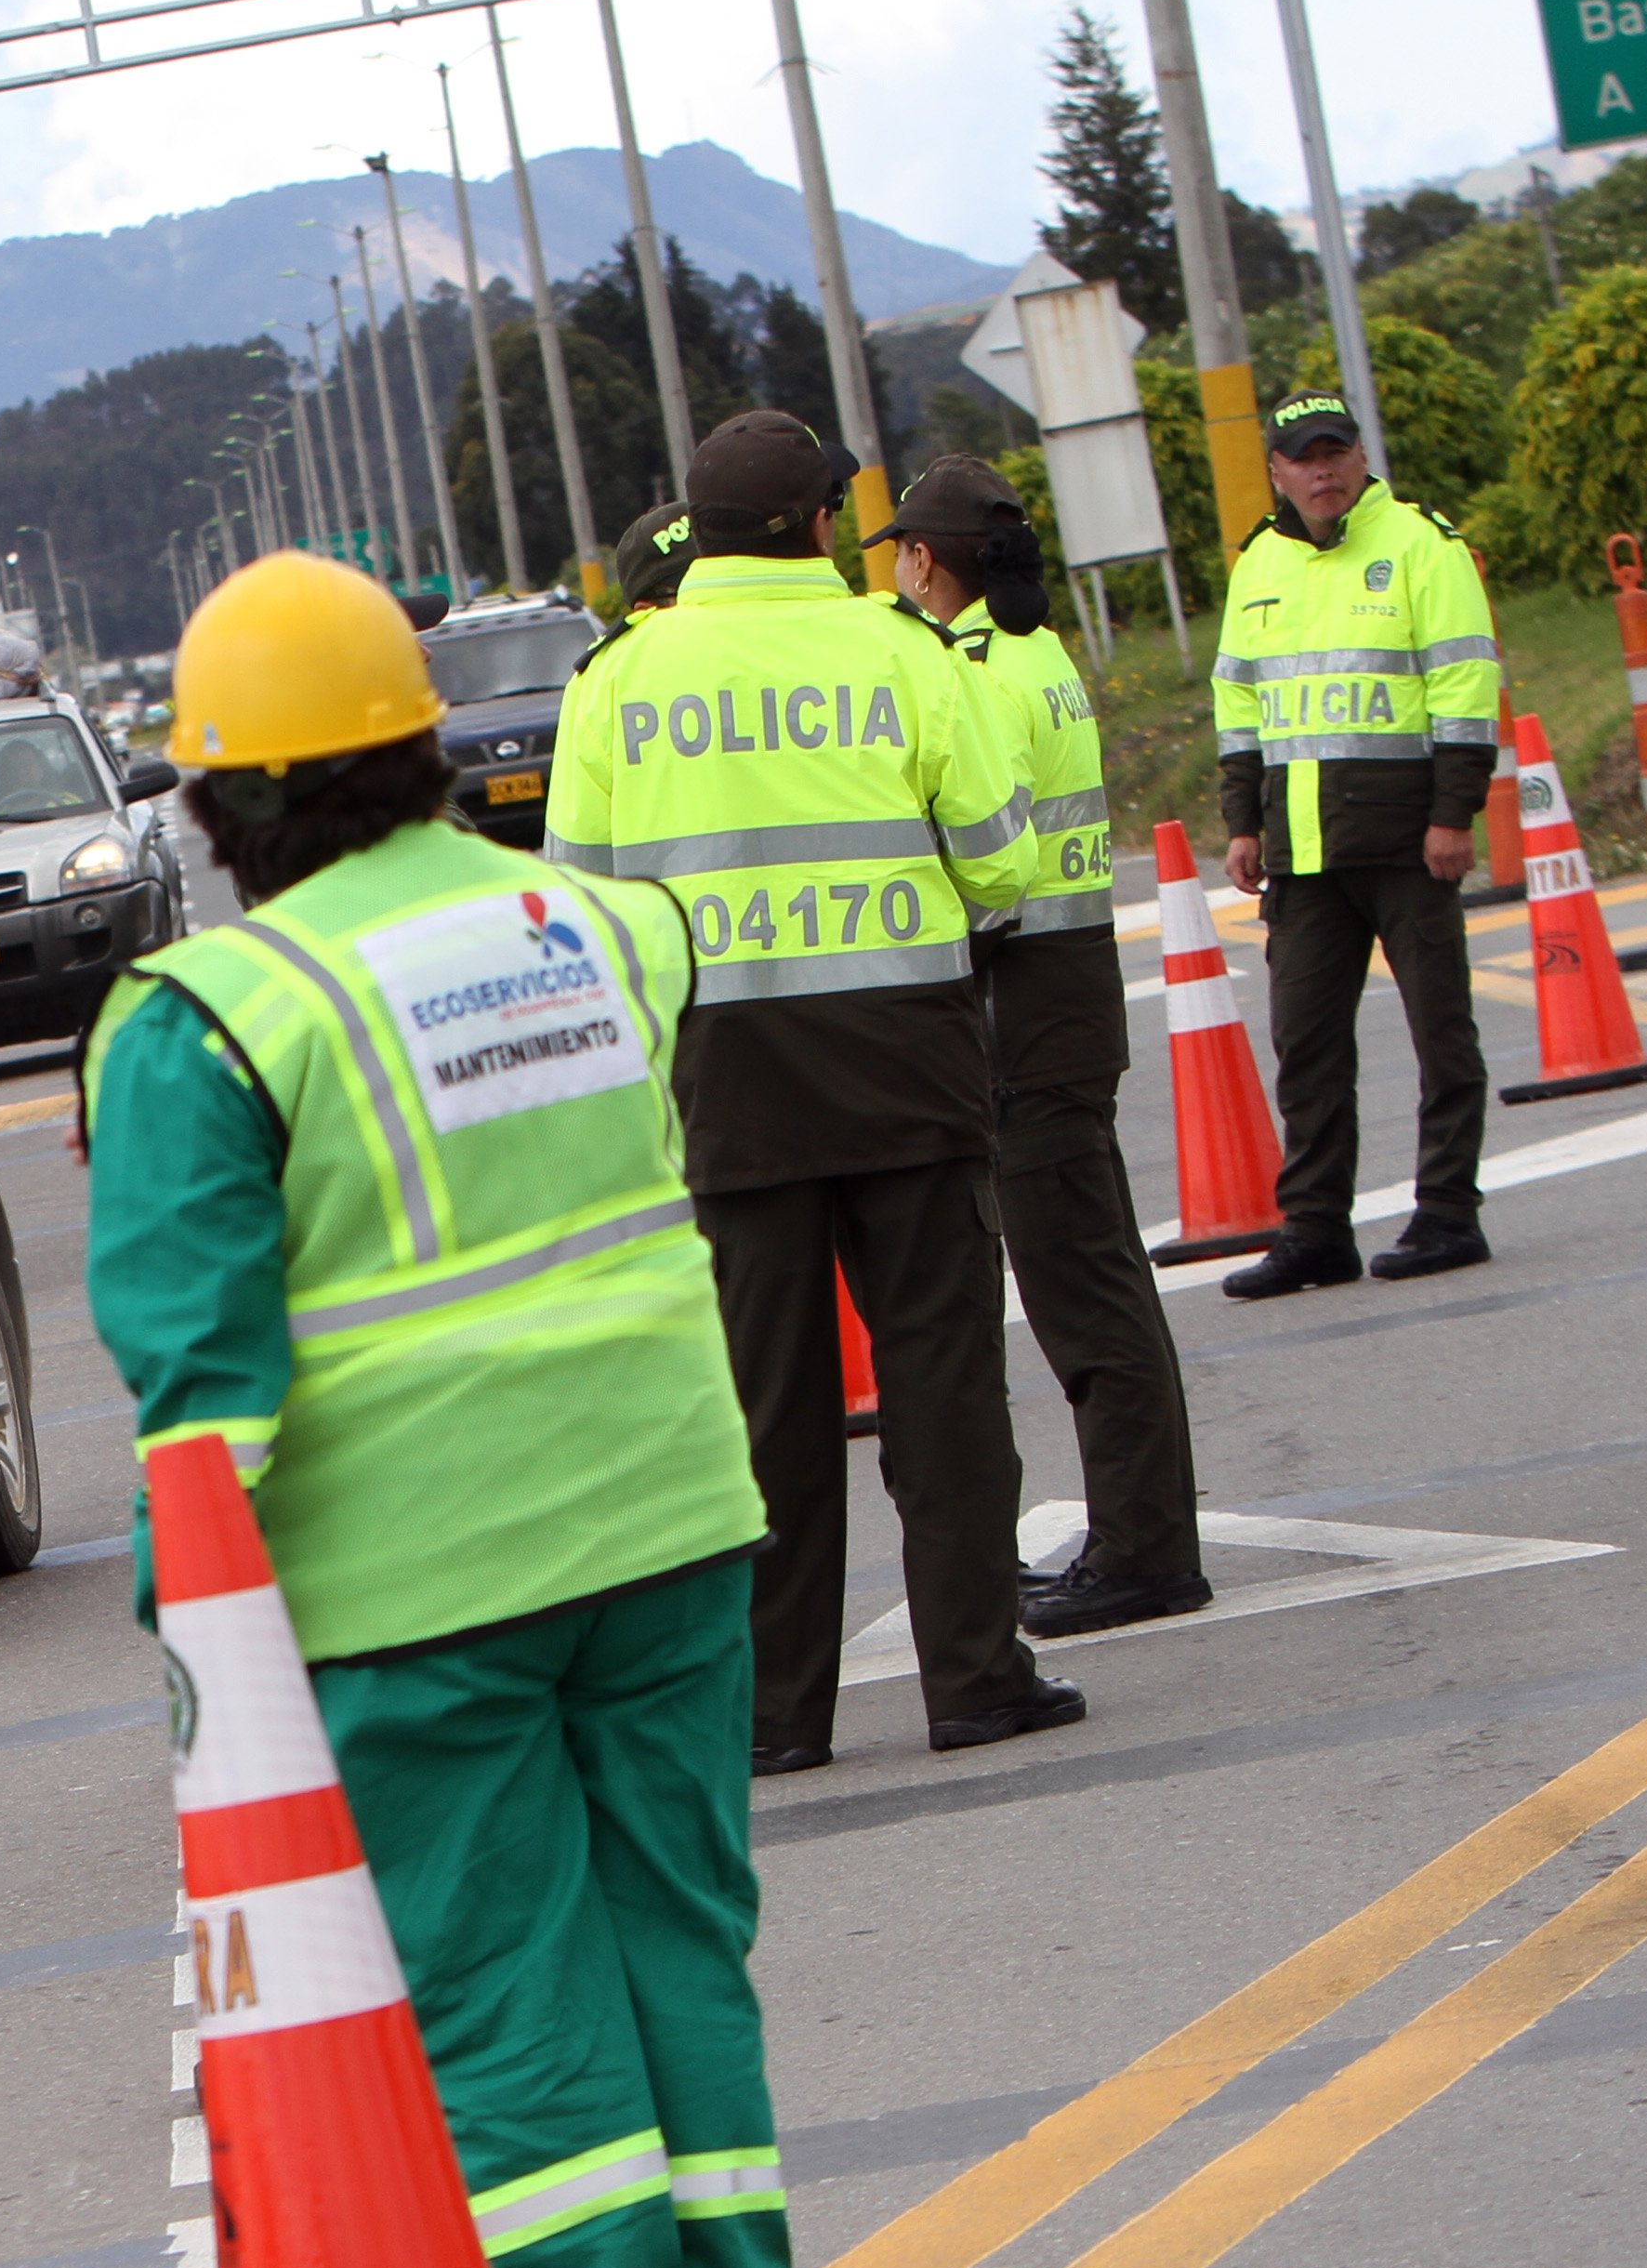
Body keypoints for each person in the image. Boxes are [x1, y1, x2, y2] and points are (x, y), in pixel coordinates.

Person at [86, 547, 788, 2268]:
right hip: (669, 1519)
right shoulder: (602, 926)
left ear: (224, 806)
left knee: (498, 1971)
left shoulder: (209, 1019)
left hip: (414, 1586)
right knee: (676, 1938)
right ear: (425, 749)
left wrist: (202, 1669)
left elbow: (197, 1399)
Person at [547, 408, 1079, 1774]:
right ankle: (975, 1677)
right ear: (824, 524)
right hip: (907, 1063)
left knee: (764, 1412)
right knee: (942, 1385)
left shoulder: (618, 680)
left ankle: (781, 1713)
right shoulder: (897, 653)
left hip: (726, 1083)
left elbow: (583, 912)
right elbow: (1005, 867)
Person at [873, 456, 1209, 1636]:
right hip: (1061, 993)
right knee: (1095, 1272)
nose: (898, 573)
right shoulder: (1035, 652)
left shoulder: (979, 678)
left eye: (902, 555)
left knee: (1083, 1288)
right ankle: (1144, 1531)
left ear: (925, 560)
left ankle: (1146, 1548)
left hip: (1026, 999)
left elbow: (989, 859)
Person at [1211, 391, 1505, 1296]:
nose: (1324, 470)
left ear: (1362, 456)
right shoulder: (1257, 562)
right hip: (1300, 849)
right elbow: (1239, 704)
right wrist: (1242, 822)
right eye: (1304, 456)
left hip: (1408, 841)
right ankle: (1314, 1231)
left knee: (1440, 1035)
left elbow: (1464, 680)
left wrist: (1455, 814)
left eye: (1337, 451)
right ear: (1276, 470)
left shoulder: (1422, 545)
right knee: (1306, 1047)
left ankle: (1449, 1212)